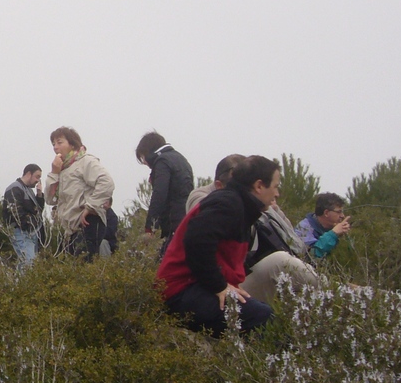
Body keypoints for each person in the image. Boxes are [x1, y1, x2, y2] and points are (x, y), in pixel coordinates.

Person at [157, 155, 278, 338]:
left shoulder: (237, 204)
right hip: (180, 292)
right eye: (275, 186)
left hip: (189, 289)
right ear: (259, 186)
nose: (277, 194)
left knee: (261, 311)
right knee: (262, 316)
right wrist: (219, 286)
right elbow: (196, 240)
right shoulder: (229, 204)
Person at [45, 127, 115, 258]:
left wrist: (90, 207)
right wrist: (54, 173)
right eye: (53, 144)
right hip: (71, 229)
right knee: (74, 267)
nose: (55, 147)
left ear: (72, 144)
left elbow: (106, 182)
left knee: (84, 264)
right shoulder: (62, 169)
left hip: (88, 222)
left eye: (59, 142)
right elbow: (50, 199)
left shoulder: (85, 161)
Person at [136, 132, 194, 240]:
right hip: (186, 215)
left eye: (143, 157)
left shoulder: (162, 162)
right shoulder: (180, 159)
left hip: (173, 220)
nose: (144, 162)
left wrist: (150, 227)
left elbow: (159, 194)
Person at [3, 164, 45, 267]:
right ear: (29, 174)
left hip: (31, 233)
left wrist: (39, 195)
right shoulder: (15, 188)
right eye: (37, 177)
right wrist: (27, 225)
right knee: (28, 264)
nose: (38, 181)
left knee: (29, 265)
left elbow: (38, 211)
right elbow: (15, 212)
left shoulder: (29, 191)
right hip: (22, 232)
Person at [296, 193, 353, 259]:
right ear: (326, 213)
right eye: (339, 212)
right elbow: (310, 256)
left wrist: (345, 236)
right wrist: (333, 234)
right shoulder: (304, 228)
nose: (342, 215)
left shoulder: (333, 226)